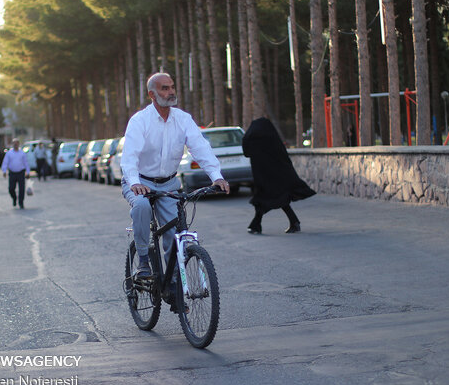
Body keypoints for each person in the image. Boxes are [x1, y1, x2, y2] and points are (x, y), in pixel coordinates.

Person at [121, 72, 230, 280]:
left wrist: (216, 176)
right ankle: (143, 262)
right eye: (164, 88)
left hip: (169, 183)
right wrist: (134, 183)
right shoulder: (140, 121)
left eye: (172, 87)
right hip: (139, 181)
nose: (171, 92)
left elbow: (200, 148)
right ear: (152, 94)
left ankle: (173, 285)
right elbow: (129, 157)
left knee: (175, 233)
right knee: (142, 206)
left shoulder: (183, 119)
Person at [242, 117, 316, 234]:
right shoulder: (274, 140)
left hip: (263, 178)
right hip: (278, 178)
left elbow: (246, 151)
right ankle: (293, 222)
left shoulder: (253, 140)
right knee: (279, 198)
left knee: (265, 200)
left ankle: (256, 225)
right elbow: (285, 159)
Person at [1, 138, 30, 209]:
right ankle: (14, 198)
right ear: (12, 144)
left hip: (21, 173)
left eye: (17, 143)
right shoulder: (9, 153)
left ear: (19, 144)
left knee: (21, 189)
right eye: (14, 143)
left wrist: (28, 172)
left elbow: (26, 163)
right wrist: (4, 171)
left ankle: (21, 202)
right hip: (12, 173)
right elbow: (5, 162)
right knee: (11, 188)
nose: (15, 144)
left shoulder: (22, 153)